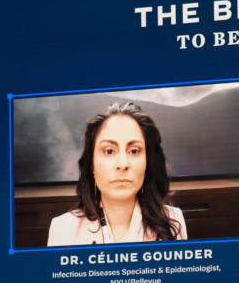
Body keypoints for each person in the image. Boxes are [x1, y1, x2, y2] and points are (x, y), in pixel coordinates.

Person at [47, 103, 188, 245]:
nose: (122, 164)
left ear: (147, 163)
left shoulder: (173, 221)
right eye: (109, 151)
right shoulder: (63, 229)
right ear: (92, 164)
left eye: (134, 151)